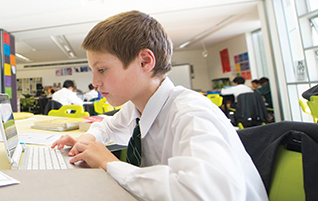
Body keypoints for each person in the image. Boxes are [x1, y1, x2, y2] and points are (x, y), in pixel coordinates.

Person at [51, 10, 266, 200]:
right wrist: (85, 140)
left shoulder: (191, 114)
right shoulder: (136, 107)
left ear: (145, 61)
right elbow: (107, 126)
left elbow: (208, 194)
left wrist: (110, 163)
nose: (95, 82)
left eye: (102, 70)